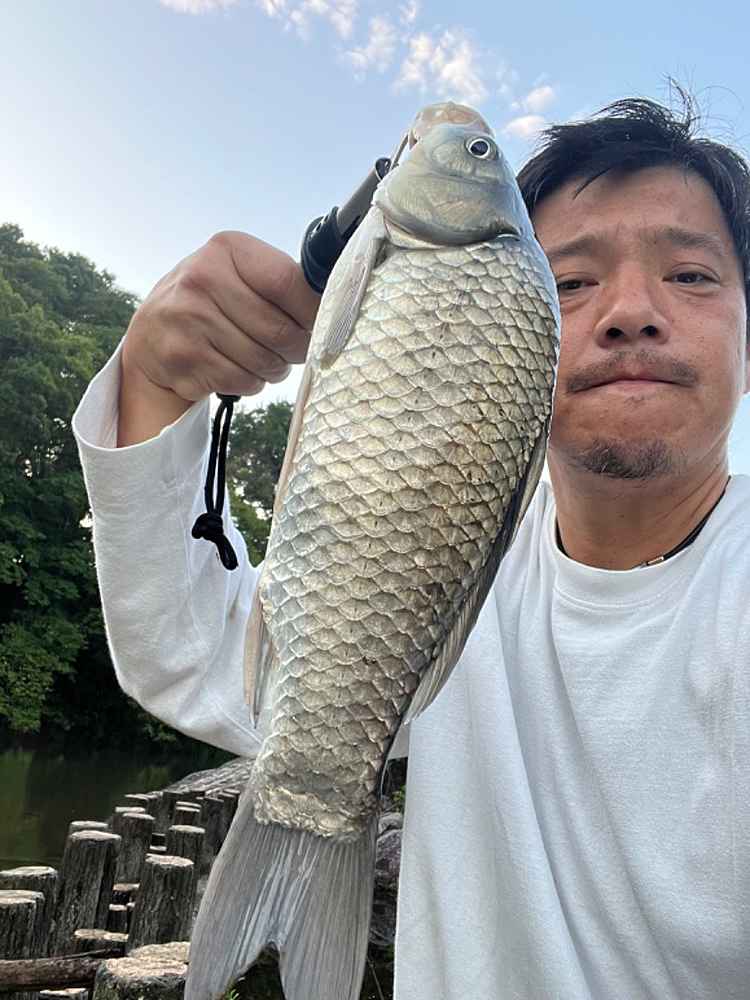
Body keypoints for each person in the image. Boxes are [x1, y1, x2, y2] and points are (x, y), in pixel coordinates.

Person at [73, 92, 750, 999]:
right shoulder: (442, 559)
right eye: (571, 283)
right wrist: (156, 384)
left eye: (692, 275)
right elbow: (188, 655)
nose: (631, 311)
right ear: (522, 329)